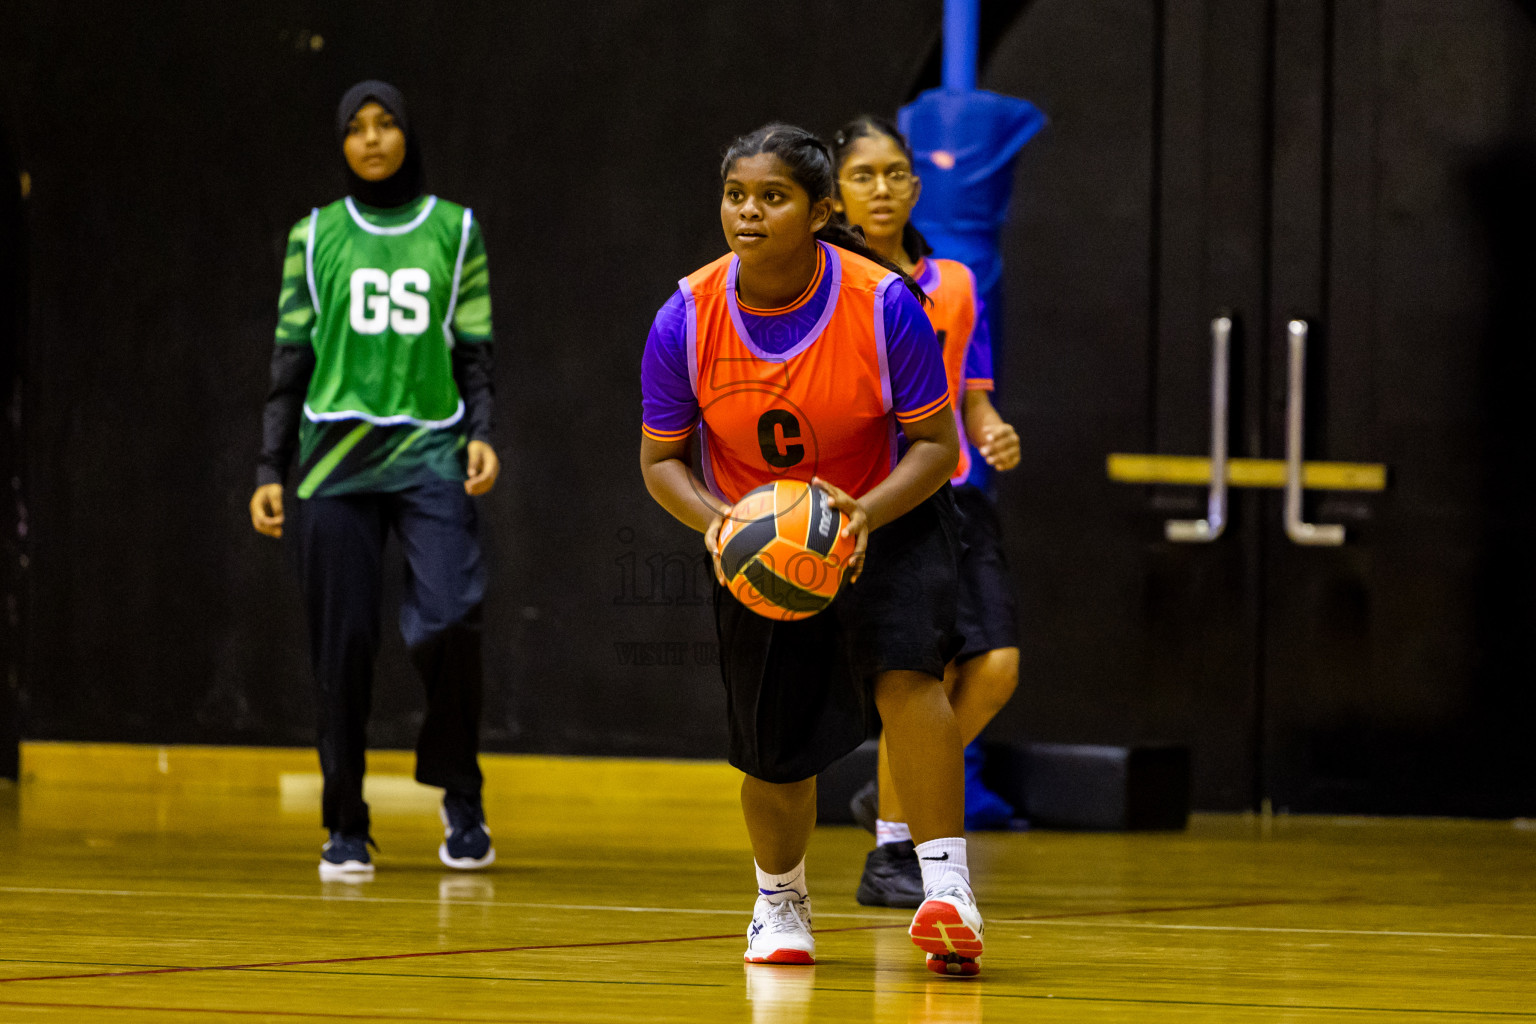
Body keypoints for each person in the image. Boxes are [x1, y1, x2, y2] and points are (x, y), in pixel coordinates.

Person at [639, 123, 985, 977]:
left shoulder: (882, 301)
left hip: (887, 516)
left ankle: (947, 889)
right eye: (735, 196)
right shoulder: (685, 315)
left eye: (773, 197)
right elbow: (659, 463)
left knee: (910, 675)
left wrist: (862, 512)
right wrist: (720, 521)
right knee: (773, 746)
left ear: (820, 210)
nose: (748, 213)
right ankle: (781, 900)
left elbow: (936, 447)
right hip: (759, 538)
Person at [249, 80, 500, 879]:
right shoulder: (313, 234)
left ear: (406, 133)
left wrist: (483, 434)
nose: (371, 138)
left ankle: (462, 797)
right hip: (332, 460)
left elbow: (474, 353)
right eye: (355, 127)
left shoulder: (455, 230)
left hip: (430, 450)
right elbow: (291, 359)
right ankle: (344, 822)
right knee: (343, 645)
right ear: (342, 143)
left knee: (452, 618)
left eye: (385, 122)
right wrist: (269, 466)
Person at [830, 116, 1023, 909]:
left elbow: (969, 389)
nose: (883, 188)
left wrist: (992, 429)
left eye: (896, 173)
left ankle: (898, 794)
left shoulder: (955, 282)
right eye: (863, 174)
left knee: (996, 670)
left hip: (960, 496)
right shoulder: (836, 282)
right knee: (919, 677)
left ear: (916, 185)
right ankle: (891, 857)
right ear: (836, 192)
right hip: (884, 498)